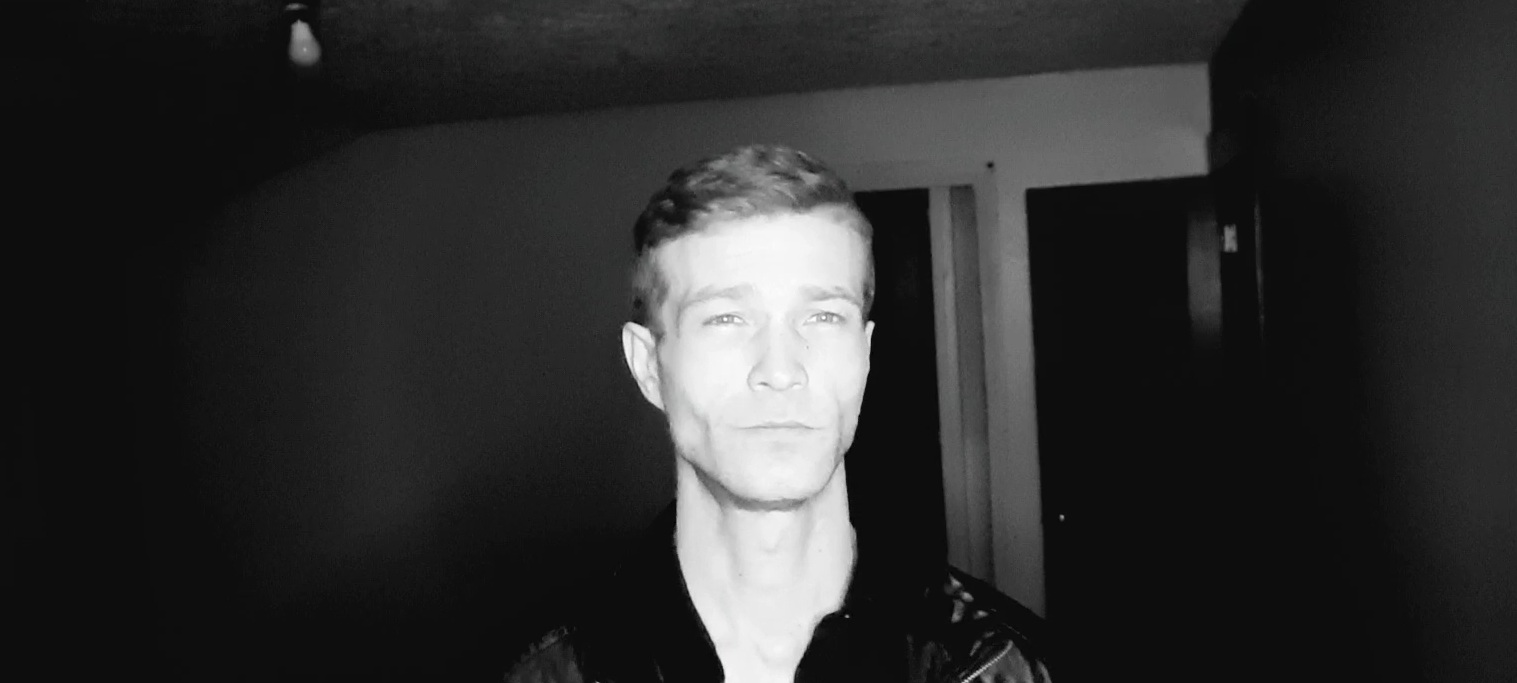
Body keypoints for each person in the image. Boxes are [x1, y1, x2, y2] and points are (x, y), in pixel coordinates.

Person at [505, 144, 1051, 683]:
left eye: (822, 317)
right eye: (726, 319)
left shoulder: (1008, 667)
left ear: (864, 356)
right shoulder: (549, 674)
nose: (781, 369)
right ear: (648, 366)